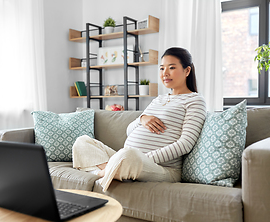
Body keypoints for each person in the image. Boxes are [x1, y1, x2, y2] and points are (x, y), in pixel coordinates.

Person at [72, 47, 207, 191]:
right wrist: (142, 119)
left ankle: (102, 171)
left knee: (127, 154)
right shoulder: (158, 100)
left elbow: (185, 144)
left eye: (171, 68)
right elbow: (129, 131)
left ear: (187, 71)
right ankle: (109, 171)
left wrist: (144, 158)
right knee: (82, 142)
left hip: (163, 168)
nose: (165, 73)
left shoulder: (195, 101)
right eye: (161, 69)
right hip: (132, 159)